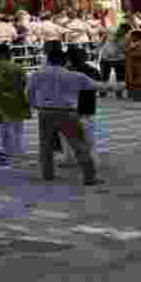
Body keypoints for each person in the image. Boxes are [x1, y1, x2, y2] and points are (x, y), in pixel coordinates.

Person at [26, 45, 102, 186]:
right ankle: (89, 176)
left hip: (45, 111)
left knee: (46, 144)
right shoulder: (75, 76)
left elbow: (29, 91)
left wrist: (33, 104)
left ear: (48, 59)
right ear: (65, 61)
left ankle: (47, 174)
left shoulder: (37, 74)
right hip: (67, 113)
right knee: (79, 145)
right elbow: (98, 86)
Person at [0, 42, 31, 161]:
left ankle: (8, 150)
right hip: (17, 98)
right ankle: (19, 149)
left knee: (5, 127)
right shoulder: (17, 67)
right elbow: (24, 82)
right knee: (18, 127)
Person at [97, 26, 127, 98]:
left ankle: (118, 93)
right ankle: (103, 93)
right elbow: (101, 42)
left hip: (118, 59)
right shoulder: (108, 35)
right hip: (107, 58)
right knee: (105, 77)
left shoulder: (123, 38)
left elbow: (124, 48)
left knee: (120, 77)